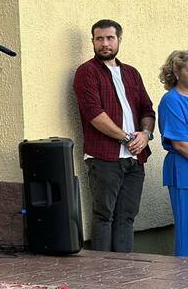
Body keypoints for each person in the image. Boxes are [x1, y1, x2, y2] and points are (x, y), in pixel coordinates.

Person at [72, 19, 155, 253]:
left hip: (135, 158)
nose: (105, 44)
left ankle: (124, 268)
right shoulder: (87, 72)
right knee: (103, 216)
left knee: (127, 217)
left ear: (119, 40)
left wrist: (145, 135)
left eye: (110, 38)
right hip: (104, 157)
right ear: (93, 41)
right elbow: (94, 114)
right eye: (99, 39)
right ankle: (103, 270)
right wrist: (126, 139)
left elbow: (147, 110)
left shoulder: (131, 73)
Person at [156, 51, 188, 257]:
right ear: (176, 71)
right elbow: (180, 144)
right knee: (187, 232)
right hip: (183, 171)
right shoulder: (172, 101)